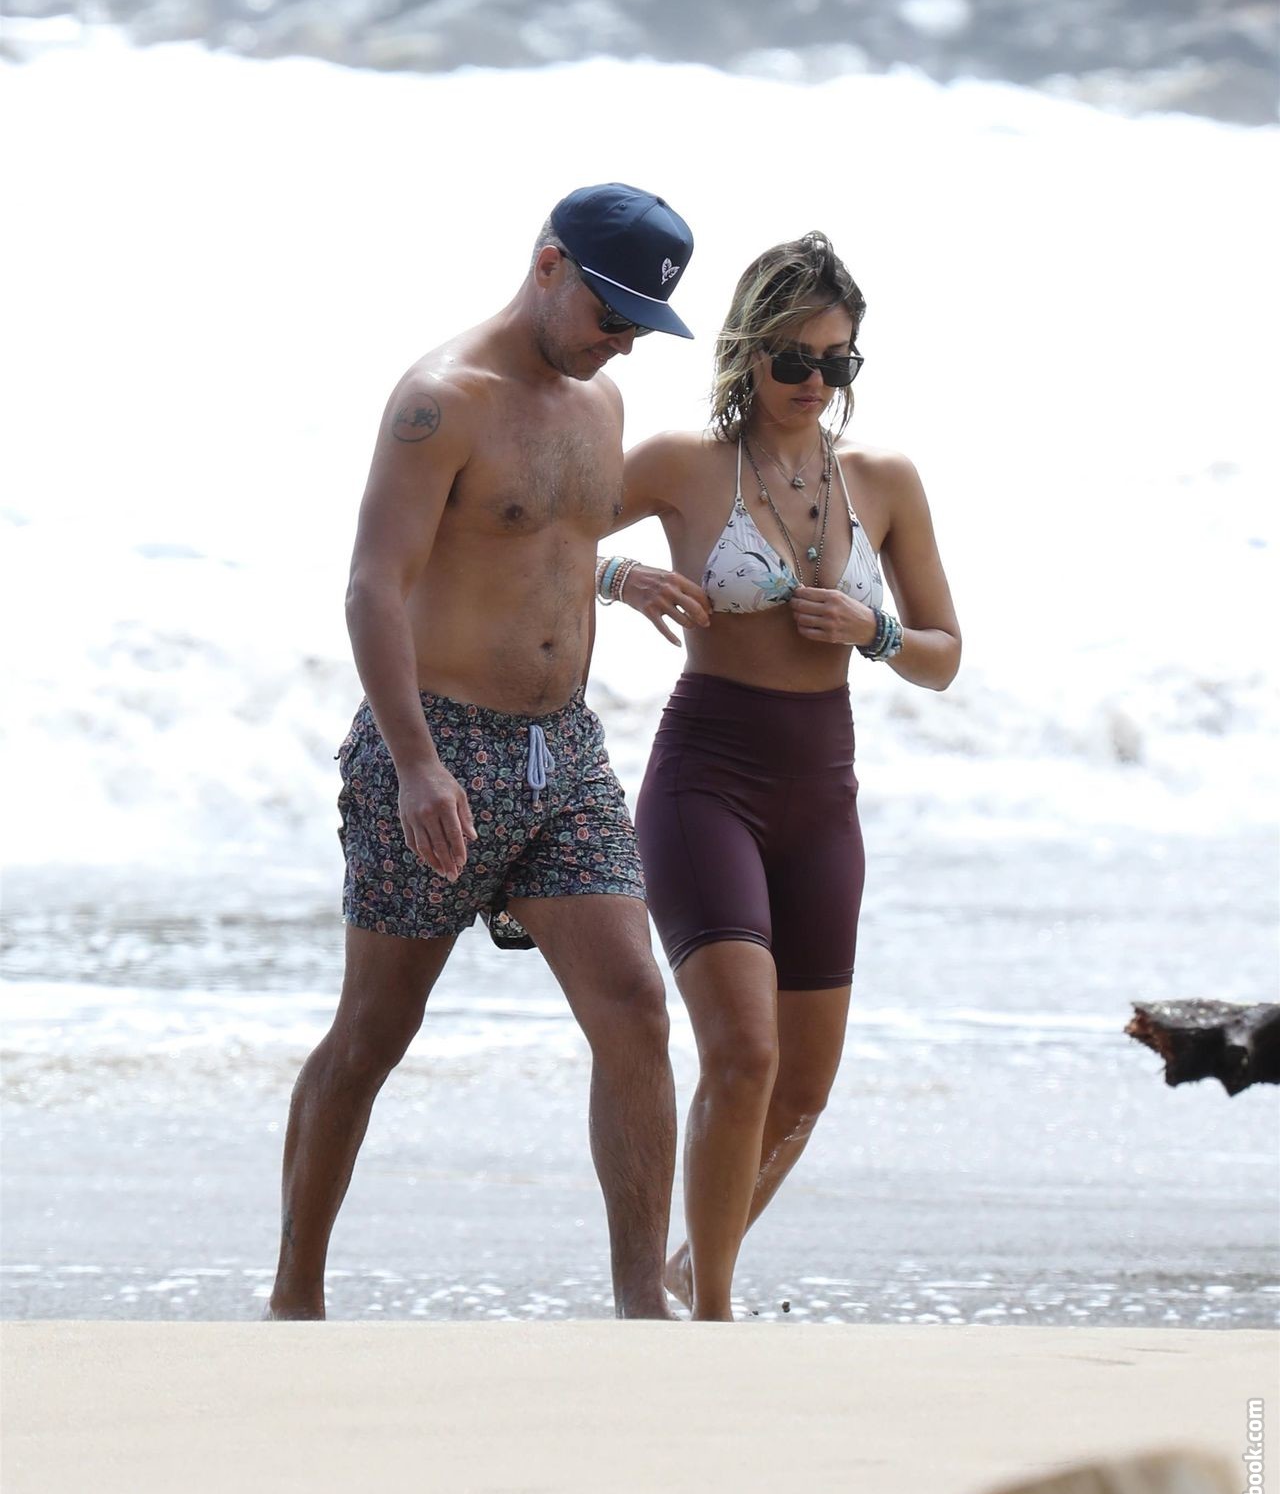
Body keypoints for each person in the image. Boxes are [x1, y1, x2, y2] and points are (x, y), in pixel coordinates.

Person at [266, 182, 697, 1322]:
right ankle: (295, 1297)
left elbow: (539, 535)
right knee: (374, 1033)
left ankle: (640, 1306)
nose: (620, 343)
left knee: (635, 1008)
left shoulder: (600, 403)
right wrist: (416, 766)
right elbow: (375, 585)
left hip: (566, 754)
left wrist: (614, 574)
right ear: (548, 264)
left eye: (640, 326)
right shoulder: (440, 400)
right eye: (609, 314)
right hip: (437, 743)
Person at [604, 231, 961, 1321]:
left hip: (822, 794)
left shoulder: (885, 482)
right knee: (744, 1054)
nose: (816, 381)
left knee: (802, 1089)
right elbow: (526, 534)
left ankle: (689, 1271)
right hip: (705, 780)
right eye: (794, 359)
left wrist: (873, 630)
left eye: (837, 361)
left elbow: (943, 655)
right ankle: (712, 1318)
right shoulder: (681, 464)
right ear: (747, 352)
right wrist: (621, 576)